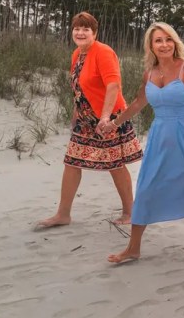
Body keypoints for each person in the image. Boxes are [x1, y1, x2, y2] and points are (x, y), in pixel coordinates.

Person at [103, 22, 184, 263]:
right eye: (158, 40)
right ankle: (133, 248)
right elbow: (137, 103)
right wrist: (114, 124)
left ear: (175, 42)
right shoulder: (149, 74)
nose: (164, 44)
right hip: (159, 136)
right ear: (151, 46)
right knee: (146, 187)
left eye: (168, 39)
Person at [37, 12, 142, 228]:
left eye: (86, 29)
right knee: (72, 162)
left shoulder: (104, 52)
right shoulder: (77, 54)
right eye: (77, 28)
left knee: (115, 163)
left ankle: (130, 212)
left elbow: (113, 85)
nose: (80, 32)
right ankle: (63, 214)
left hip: (109, 117)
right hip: (85, 119)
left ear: (95, 32)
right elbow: (79, 86)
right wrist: (77, 113)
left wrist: (105, 117)